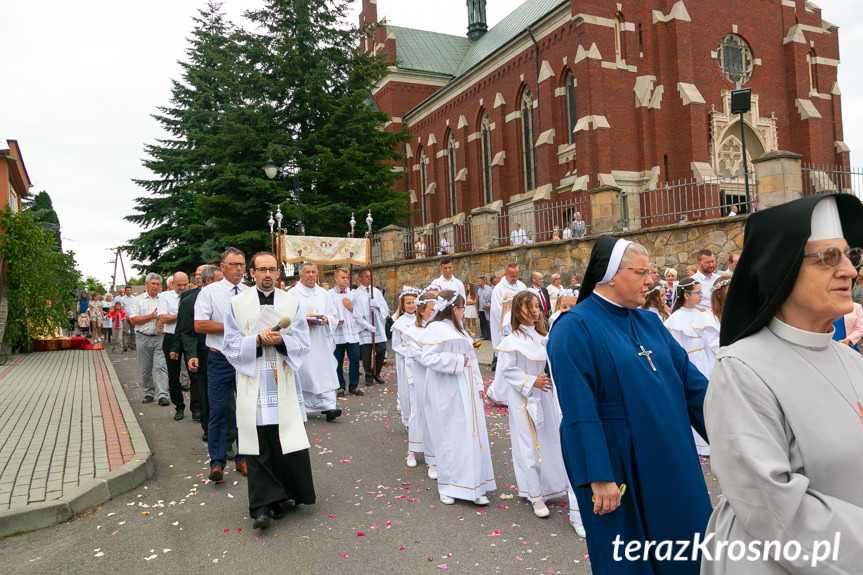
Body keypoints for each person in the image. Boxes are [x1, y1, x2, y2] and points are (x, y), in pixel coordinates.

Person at [702, 193, 863, 572]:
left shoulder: (849, 359)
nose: (850, 272)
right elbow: (770, 503)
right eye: (828, 258)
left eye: (849, 256)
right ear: (782, 267)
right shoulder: (742, 369)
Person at [547, 235, 711, 575]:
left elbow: (693, 387)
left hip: (674, 456)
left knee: (690, 545)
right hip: (620, 463)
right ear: (610, 275)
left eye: (650, 272)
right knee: (630, 558)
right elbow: (579, 409)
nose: (650, 281)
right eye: (642, 272)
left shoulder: (650, 322)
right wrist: (598, 475)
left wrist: (739, 431)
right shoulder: (574, 328)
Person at [221, 251, 315, 530]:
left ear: (278, 272)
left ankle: (285, 495)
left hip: (283, 379)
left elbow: (302, 340)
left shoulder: (291, 302)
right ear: (252, 273)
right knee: (258, 441)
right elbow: (230, 344)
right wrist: (256, 341)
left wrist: (281, 340)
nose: (267, 274)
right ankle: (262, 505)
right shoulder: (237, 304)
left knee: (283, 437)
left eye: (272, 269)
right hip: (254, 379)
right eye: (262, 270)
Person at [493, 291, 569, 518]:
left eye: (537, 306)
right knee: (530, 444)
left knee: (549, 441)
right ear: (518, 310)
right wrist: (530, 381)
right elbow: (507, 370)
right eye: (529, 307)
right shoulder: (512, 340)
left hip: (544, 395)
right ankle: (535, 495)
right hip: (524, 398)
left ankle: (549, 486)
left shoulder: (542, 335)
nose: (535, 311)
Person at [418, 290, 495, 506]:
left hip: (467, 386)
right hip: (446, 388)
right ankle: (448, 485)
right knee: (449, 436)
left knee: (471, 435)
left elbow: (471, 358)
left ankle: (475, 485)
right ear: (453, 308)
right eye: (462, 307)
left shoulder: (459, 329)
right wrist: (456, 361)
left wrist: (479, 384)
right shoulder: (434, 328)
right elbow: (428, 357)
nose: (464, 311)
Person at [195, 247, 249, 482]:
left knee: (246, 410)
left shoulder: (250, 292)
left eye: (242, 265)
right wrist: (232, 328)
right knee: (218, 411)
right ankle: (217, 462)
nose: (239, 269)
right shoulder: (209, 292)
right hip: (219, 358)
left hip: (245, 357)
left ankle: (243, 457)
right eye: (234, 264)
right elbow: (200, 325)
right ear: (223, 266)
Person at [288, 262, 342, 422]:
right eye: (307, 272)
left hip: (321, 340)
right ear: (300, 275)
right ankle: (302, 407)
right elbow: (287, 318)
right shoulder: (292, 294)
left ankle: (329, 407)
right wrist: (303, 322)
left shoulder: (323, 293)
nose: (311, 275)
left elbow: (333, 314)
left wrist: (326, 319)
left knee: (325, 371)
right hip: (302, 341)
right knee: (306, 373)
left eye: (313, 272)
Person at [664, 277, 711, 457]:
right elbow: (677, 348)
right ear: (685, 295)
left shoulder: (702, 314)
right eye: (697, 293)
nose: (701, 296)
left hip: (704, 359)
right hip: (690, 360)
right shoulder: (676, 319)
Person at [179, 265, 222, 435]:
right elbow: (187, 332)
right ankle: (209, 429)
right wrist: (191, 355)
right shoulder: (189, 301)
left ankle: (228, 435)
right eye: (220, 280)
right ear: (209, 281)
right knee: (206, 395)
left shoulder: (231, 297)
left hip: (228, 354)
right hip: (204, 354)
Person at [403, 291, 437, 475]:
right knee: (418, 411)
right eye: (432, 309)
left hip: (438, 376)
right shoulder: (412, 332)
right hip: (420, 376)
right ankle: (413, 450)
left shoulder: (439, 328)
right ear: (422, 310)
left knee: (435, 414)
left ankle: (434, 456)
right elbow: (419, 356)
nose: (435, 312)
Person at [130, 274, 169, 406]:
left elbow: (170, 316)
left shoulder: (164, 299)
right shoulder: (138, 300)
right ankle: (148, 393)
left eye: (158, 284)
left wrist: (164, 321)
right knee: (145, 368)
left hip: (161, 337)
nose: (155, 286)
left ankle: (163, 394)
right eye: (153, 284)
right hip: (143, 337)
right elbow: (133, 319)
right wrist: (151, 316)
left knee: (161, 366)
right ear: (146, 284)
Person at [390, 286, 419, 458]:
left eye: (413, 302)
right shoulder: (399, 323)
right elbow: (396, 345)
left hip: (419, 360)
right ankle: (409, 421)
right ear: (403, 304)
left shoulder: (421, 319)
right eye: (408, 303)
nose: (411, 305)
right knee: (407, 390)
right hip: (405, 360)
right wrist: (408, 351)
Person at [158, 272, 190, 421]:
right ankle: (179, 406)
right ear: (172, 284)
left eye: (185, 284)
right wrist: (185, 314)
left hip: (190, 337)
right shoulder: (165, 296)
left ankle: (197, 407)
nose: (182, 287)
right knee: (173, 374)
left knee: (195, 374)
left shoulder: (194, 295)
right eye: (179, 285)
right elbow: (163, 317)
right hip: (171, 338)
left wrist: (175, 316)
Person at [330, 268, 364, 397]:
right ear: (336, 278)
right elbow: (328, 313)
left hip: (352, 333)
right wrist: (334, 321)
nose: (345, 280)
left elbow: (359, 315)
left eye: (346, 277)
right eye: (343, 277)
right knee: (337, 361)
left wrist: (351, 308)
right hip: (338, 333)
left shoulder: (353, 294)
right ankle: (340, 387)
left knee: (355, 359)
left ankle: (353, 386)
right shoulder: (329, 295)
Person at [355, 269, 389, 386]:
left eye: (370, 276)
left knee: (381, 349)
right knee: (366, 353)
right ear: (360, 278)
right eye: (366, 276)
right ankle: (368, 375)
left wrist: (377, 306)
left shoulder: (376, 292)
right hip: (364, 326)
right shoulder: (357, 293)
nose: (369, 278)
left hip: (377, 326)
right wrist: (366, 324)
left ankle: (376, 372)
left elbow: (385, 308)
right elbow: (356, 312)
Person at [117, 286, 137, 351]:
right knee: (125, 332)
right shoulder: (122, 299)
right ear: (125, 291)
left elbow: (135, 308)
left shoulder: (134, 298)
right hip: (125, 317)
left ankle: (132, 344)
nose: (129, 291)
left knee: (133, 331)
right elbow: (122, 309)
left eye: (130, 290)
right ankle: (125, 345)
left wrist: (132, 315)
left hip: (133, 317)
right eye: (127, 290)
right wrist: (126, 316)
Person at [476, 276, 492, 340]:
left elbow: (492, 298)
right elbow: (478, 299)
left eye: (479, 281)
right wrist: (477, 308)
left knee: (488, 322)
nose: (478, 282)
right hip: (481, 308)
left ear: (483, 281)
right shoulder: (479, 290)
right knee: (483, 322)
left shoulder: (489, 289)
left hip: (487, 308)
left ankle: (490, 335)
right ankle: (485, 335)